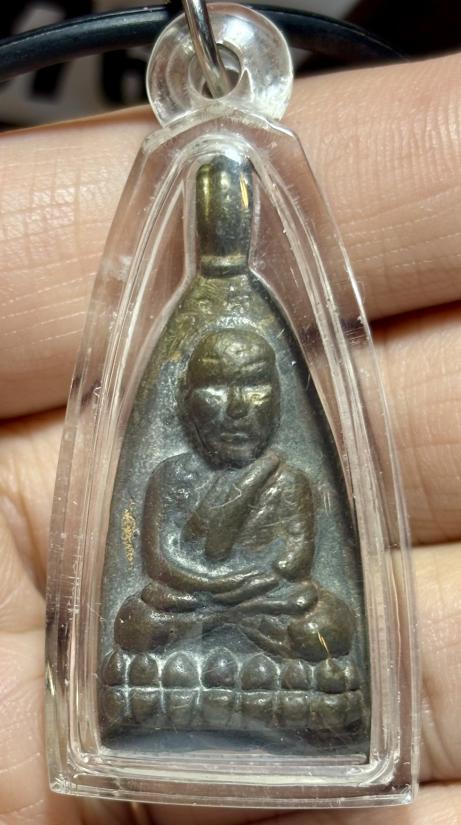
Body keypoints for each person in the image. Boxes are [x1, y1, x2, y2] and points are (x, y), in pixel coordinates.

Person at [0, 51, 459, 824]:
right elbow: (159, 558)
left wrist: (242, 594)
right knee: (134, 624)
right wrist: (217, 592)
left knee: (326, 622)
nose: (237, 404)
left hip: (266, 613)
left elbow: (290, 564)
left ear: (277, 397)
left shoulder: (288, 478)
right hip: (188, 609)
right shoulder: (171, 474)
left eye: (255, 386)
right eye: (215, 386)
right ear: (184, 403)